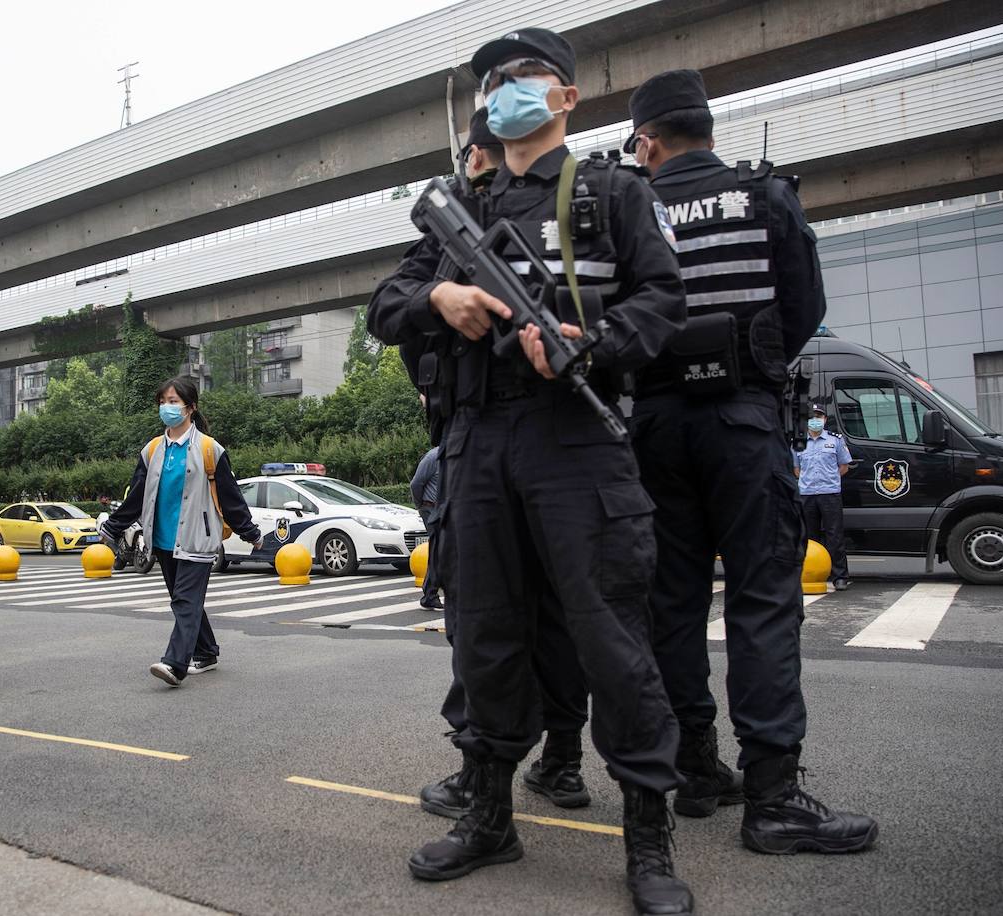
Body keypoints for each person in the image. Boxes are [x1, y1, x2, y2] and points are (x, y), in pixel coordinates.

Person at [370, 30, 693, 914]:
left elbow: (665, 298)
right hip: (478, 439)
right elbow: (385, 306)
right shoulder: (458, 209)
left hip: (574, 439)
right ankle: (488, 817)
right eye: (493, 81)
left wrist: (595, 343)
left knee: (612, 641)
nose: (505, 89)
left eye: (525, 77)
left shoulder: (614, 191)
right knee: (486, 633)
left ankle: (648, 837)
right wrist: (441, 297)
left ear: (567, 98)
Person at [624, 68, 877, 854]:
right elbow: (805, 309)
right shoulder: (764, 196)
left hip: (655, 424)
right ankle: (773, 796)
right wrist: (753, 371)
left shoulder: (631, 202)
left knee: (672, 601)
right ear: (706, 128)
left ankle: (696, 770)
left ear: (648, 140)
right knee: (763, 598)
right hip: (743, 420)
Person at [408, 108, 595, 830]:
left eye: (474, 158)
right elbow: (391, 308)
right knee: (538, 621)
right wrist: (438, 300)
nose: (470, 171)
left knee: (486, 621)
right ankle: (554, 762)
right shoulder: (458, 237)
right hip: (516, 447)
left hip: (502, 442)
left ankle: (488, 772)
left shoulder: (535, 217)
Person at [101, 377, 263, 687]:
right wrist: (113, 526)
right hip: (162, 540)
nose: (167, 407)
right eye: (163, 401)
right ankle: (206, 651)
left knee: (185, 601)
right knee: (184, 599)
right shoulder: (151, 450)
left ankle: (174, 663)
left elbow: (230, 497)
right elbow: (137, 495)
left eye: (173, 401)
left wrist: (250, 532)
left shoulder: (208, 449)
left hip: (197, 539)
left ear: (191, 407)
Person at [795, 405, 852, 590]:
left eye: (819, 416)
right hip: (807, 495)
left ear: (825, 419)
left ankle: (840, 577)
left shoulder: (835, 440)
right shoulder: (798, 442)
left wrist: (830, 479)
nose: (815, 420)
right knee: (809, 538)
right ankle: (811, 573)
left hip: (830, 494)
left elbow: (844, 466)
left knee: (834, 536)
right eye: (812, 416)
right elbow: (796, 469)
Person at [409, 443, 443, 610]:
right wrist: (420, 505)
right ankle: (430, 593)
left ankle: (431, 593)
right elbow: (416, 484)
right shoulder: (433, 457)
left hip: (447, 510)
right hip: (431, 509)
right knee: (440, 550)